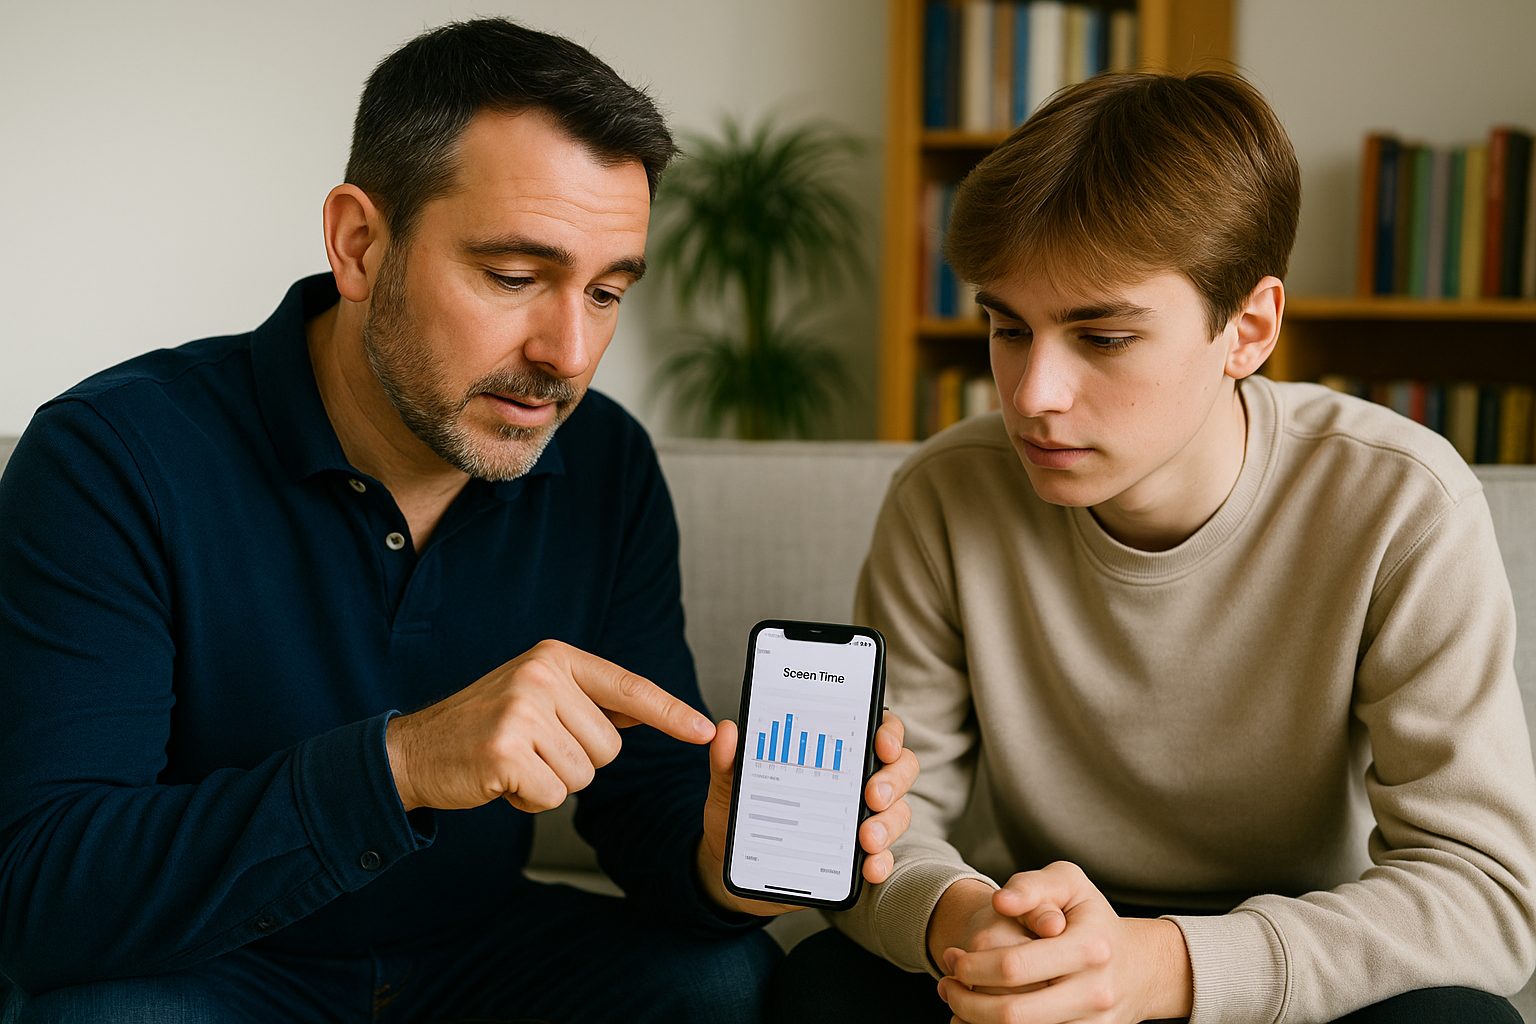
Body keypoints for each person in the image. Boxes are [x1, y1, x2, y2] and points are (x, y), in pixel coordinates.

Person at [0, 18, 918, 1024]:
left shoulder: (605, 463)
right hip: (212, 965)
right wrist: (404, 765)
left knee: (719, 983)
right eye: (515, 277)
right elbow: (41, 889)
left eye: (607, 291)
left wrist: (716, 855)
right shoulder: (112, 457)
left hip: (481, 955)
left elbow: (644, 802)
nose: (569, 351)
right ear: (360, 242)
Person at [767, 70, 1536, 1024]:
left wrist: (1161, 968)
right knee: (817, 989)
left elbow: (1487, 892)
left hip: (1290, 952)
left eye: (1103, 336)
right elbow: (877, 830)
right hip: (1040, 934)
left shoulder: (1400, 502)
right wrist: (963, 922)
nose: (1032, 393)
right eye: (1008, 327)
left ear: (1247, 328)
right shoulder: (944, 496)